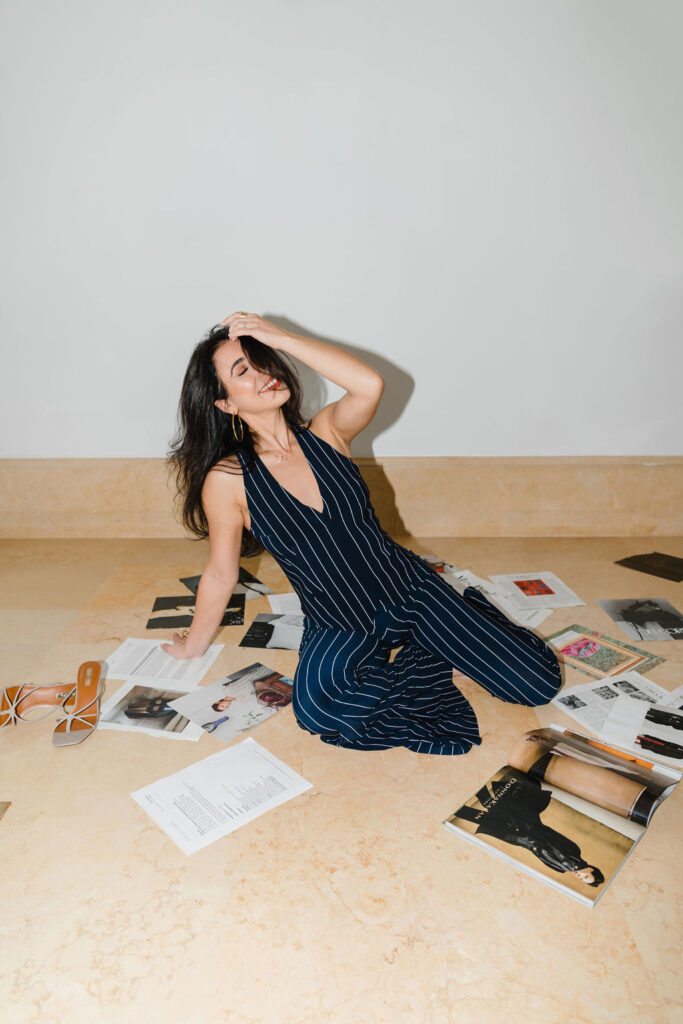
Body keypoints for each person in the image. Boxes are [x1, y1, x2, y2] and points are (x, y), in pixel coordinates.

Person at [162, 312, 563, 755]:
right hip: (338, 618)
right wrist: (193, 646)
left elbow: (369, 385)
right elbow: (221, 573)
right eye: (243, 372)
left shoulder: (327, 432)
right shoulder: (228, 479)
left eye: (265, 361)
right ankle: (432, 652)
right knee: (318, 711)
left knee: (535, 684)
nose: (265, 375)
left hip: (410, 591)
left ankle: (453, 629)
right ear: (225, 404)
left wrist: (279, 337)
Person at [455, 770, 605, 887]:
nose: (580, 876)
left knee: (490, 819)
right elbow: (550, 834)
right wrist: (527, 828)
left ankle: (462, 805)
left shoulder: (561, 869)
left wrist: (521, 840)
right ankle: (472, 789)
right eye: (586, 876)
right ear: (591, 869)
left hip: (519, 839)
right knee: (495, 810)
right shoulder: (574, 851)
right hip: (527, 827)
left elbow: (537, 854)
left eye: (583, 880)